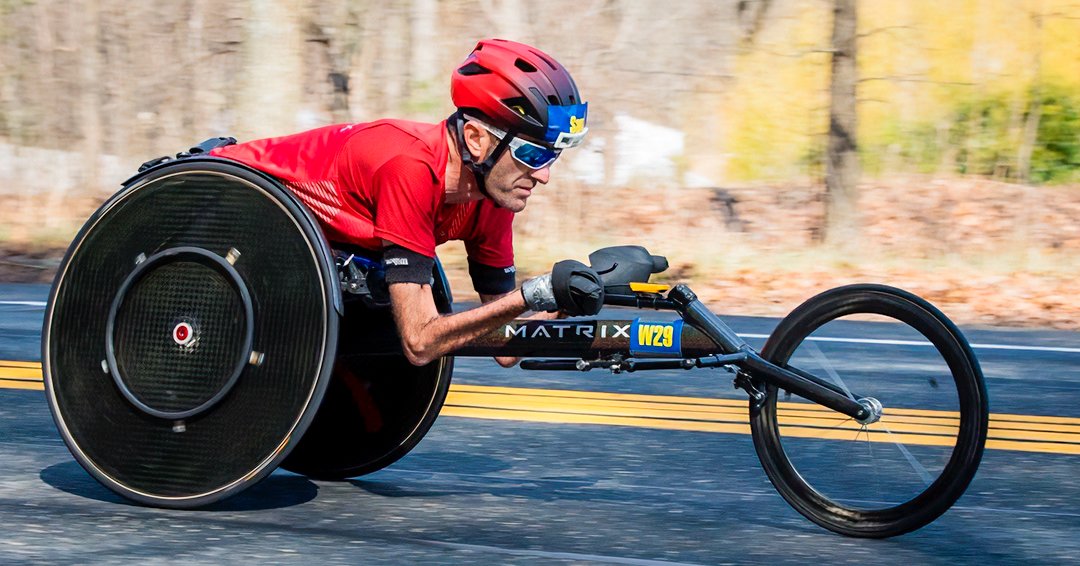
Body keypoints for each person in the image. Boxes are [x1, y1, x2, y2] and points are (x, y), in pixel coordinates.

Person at [210, 38, 604, 367]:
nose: (544, 175)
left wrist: (571, 293)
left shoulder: (492, 197)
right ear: (476, 139)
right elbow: (420, 343)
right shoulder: (411, 168)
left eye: (553, 158)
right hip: (216, 198)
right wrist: (530, 293)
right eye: (533, 156)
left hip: (289, 253)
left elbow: (503, 347)